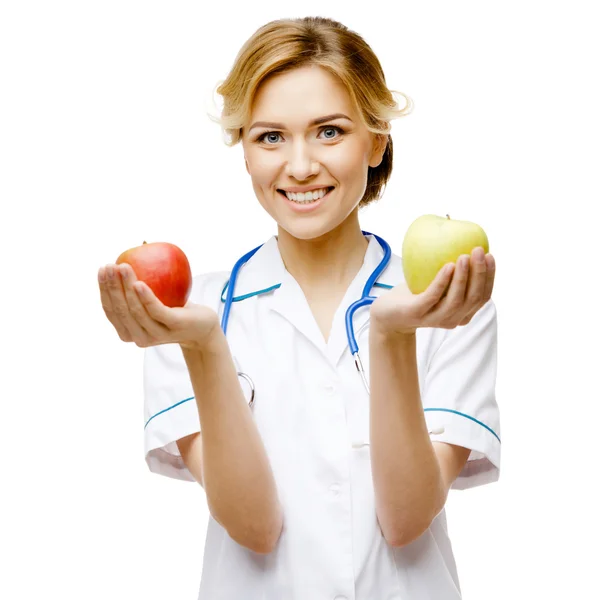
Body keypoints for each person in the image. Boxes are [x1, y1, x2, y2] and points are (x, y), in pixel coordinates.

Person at [98, 16, 500, 600]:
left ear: (378, 139)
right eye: (270, 137)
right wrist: (204, 347)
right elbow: (253, 527)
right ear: (244, 152)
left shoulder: (445, 301)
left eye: (330, 132)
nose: (301, 165)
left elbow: (407, 518)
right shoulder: (189, 312)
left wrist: (391, 335)